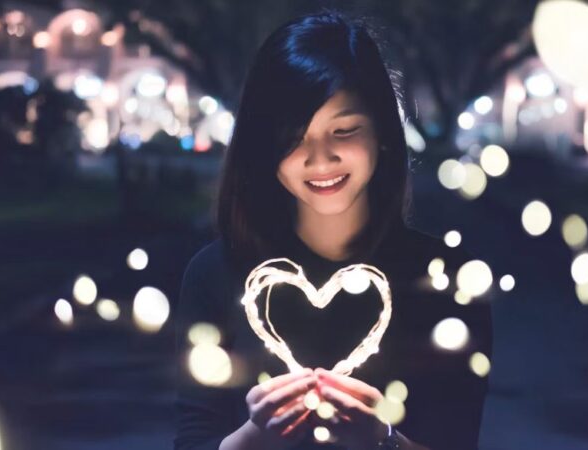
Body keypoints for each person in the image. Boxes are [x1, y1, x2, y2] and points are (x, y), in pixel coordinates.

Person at [174, 10, 492, 450]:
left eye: (343, 130)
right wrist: (255, 438)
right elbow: (193, 437)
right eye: (292, 137)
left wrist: (382, 439)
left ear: (381, 130)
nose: (319, 159)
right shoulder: (214, 274)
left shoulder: (446, 279)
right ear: (262, 146)